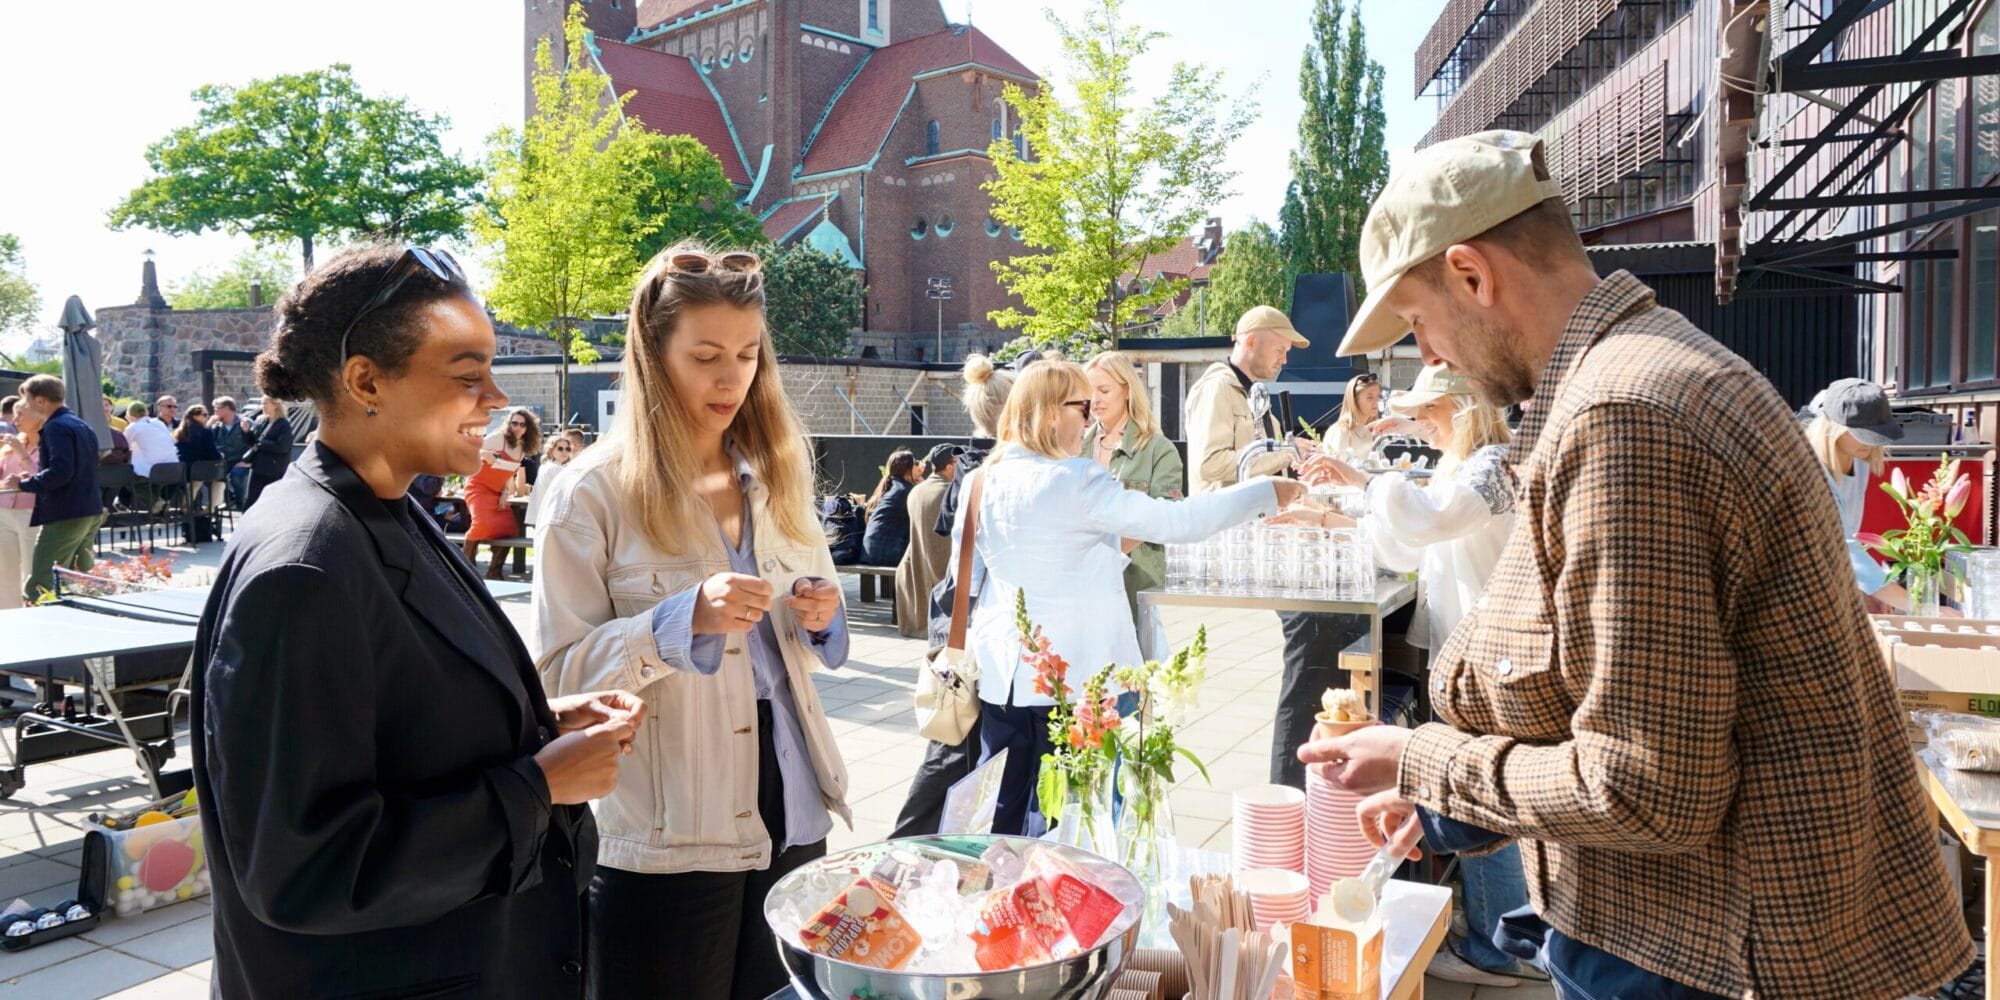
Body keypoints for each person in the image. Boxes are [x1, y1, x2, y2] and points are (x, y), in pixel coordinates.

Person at [1305, 130, 1970, 998]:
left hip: (1706, 951)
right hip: (1708, 933)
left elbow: (1644, 790)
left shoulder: (1625, 414)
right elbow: (1610, 693)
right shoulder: (1641, 371)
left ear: (1472, 275)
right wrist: (1449, 812)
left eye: (1420, 321)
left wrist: (1420, 762)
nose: (1431, 355)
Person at [192, 244, 642, 999]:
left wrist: (537, 724)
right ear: (366, 379)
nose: (495, 397)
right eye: (467, 376)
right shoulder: (304, 569)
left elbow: (397, 721)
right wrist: (535, 787)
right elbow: (305, 869)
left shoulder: (386, 507)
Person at [533, 244, 851, 1000]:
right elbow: (553, 679)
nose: (730, 376)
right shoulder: (591, 495)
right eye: (705, 354)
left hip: (797, 805)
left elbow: (820, 626)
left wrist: (821, 615)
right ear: (651, 353)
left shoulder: (776, 471)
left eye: (746, 353)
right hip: (669, 830)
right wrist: (679, 621)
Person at [960, 359, 1302, 836]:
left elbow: (979, 573)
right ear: (1052, 412)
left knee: (1003, 820)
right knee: (1076, 826)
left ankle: (1000, 905)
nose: (1090, 419)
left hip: (1005, 677)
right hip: (1076, 679)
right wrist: (1269, 491)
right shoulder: (1076, 479)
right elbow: (1176, 522)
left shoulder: (981, 480)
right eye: (1082, 407)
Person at [1296, 364, 1539, 987]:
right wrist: (1352, 495)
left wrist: (1362, 481)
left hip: (1492, 657)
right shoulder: (1470, 465)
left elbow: (1427, 521)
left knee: (1479, 794)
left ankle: (1496, 947)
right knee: (1474, 792)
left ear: (1460, 407)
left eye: (1428, 413)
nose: (1420, 425)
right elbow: (1409, 540)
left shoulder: (1490, 467)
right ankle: (1499, 931)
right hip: (1477, 654)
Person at [1186, 305, 1362, 789]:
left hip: (1258, 537)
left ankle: (1310, 776)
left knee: (1320, 630)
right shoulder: (1217, 388)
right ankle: (1290, 786)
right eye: (1281, 346)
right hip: (1234, 546)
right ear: (1254, 339)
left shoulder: (1244, 390)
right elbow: (1210, 468)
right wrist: (1284, 453)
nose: (1285, 356)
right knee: (1311, 631)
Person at [889, 355, 1018, 838]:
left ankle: (919, 846)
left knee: (956, 744)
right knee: (951, 743)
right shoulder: (990, 470)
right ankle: (900, 852)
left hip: (959, 618)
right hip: (972, 628)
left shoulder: (968, 462)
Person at [1083, 351, 1185, 659]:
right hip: (1082, 585)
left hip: (1133, 584)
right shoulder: (1076, 446)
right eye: (1089, 392)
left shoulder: (1158, 450)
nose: (1095, 400)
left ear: (1128, 389)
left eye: (1104, 390)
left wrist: (1106, 553)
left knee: (1136, 682)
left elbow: (1162, 517)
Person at [1804, 378, 1914, 613]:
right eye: (1863, 434)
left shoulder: (1858, 459)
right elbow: (1844, 548)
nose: (1871, 444)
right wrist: (1917, 606)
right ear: (1834, 428)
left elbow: (1850, 536)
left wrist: (1878, 587)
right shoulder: (1808, 471)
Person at [4, 376, 103, 603]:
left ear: (40, 401)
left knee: (41, 582)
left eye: (27, 401)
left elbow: (61, 472)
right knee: (77, 580)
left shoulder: (55, 427)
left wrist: (23, 484)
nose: (26, 406)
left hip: (66, 513)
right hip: (89, 510)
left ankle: (42, 634)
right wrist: (35, 478)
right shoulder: (79, 423)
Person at [464, 407, 538, 578]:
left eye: (522, 424)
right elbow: (471, 450)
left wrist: (505, 492)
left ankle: (494, 571)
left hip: (497, 492)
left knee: (510, 528)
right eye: (514, 423)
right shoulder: (499, 438)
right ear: (508, 424)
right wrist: (484, 454)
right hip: (478, 487)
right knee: (481, 524)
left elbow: (508, 472)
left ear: (528, 428)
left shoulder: (522, 448)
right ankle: (467, 567)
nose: (518, 427)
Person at [894, 443, 958, 639]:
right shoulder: (951, 493)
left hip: (914, 567)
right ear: (949, 467)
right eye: (959, 463)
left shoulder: (916, 491)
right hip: (943, 572)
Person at [0, 405, 41, 607]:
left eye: (20, 415)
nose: (15, 420)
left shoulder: (48, 446)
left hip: (31, 513)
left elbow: (41, 479)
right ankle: (7, 614)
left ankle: (32, 610)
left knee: (30, 566)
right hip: (4, 512)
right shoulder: (9, 447)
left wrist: (21, 451)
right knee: (4, 569)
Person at [859, 448, 920, 566]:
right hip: (889, 554)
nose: (918, 466)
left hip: (869, 552)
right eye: (915, 463)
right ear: (908, 468)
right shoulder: (905, 491)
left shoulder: (888, 486)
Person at [522, 430, 579, 531]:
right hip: (549, 518)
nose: (564, 452)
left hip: (541, 516)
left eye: (568, 449)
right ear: (551, 450)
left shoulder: (546, 466)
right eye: (560, 449)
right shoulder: (555, 469)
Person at [244, 396, 294, 509]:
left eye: (266, 403)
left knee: (272, 501)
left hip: (274, 469)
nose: (263, 406)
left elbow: (283, 447)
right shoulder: (261, 421)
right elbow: (252, 442)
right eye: (262, 403)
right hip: (258, 466)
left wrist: (263, 443)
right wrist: (246, 432)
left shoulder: (284, 424)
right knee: (252, 499)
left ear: (275, 405)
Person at [1321, 371, 1383, 461]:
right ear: (1354, 400)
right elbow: (1337, 467)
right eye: (1370, 397)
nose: (1376, 401)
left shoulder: (1370, 431)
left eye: (1378, 396)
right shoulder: (1342, 431)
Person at [211, 396, 253, 511]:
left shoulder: (245, 423)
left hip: (242, 461)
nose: (215, 412)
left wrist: (249, 462)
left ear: (228, 408)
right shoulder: (216, 426)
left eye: (217, 408)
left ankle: (241, 505)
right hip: (224, 461)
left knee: (236, 474)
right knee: (207, 475)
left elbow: (255, 443)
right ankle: (229, 499)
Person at [124, 402, 178, 477]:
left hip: (151, 471)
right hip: (173, 467)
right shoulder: (159, 423)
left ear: (129, 415)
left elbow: (124, 446)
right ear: (147, 412)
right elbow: (172, 441)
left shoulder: (133, 427)